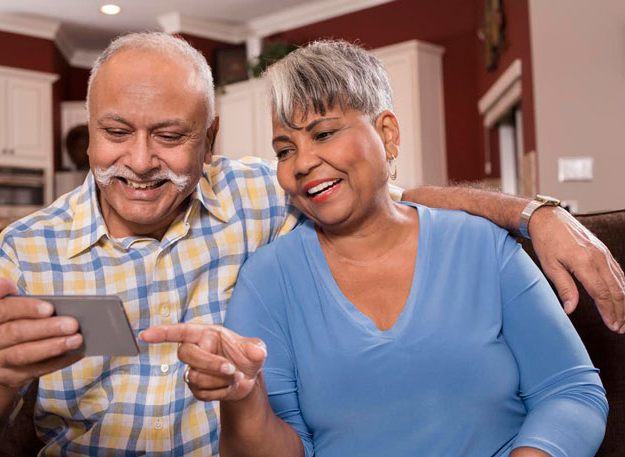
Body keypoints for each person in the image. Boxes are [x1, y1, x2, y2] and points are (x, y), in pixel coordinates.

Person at [0, 32, 620, 456]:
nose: (140, 161)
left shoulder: (263, 195)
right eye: (116, 132)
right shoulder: (23, 252)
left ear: (208, 144)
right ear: (90, 134)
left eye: (170, 137)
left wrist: (533, 213)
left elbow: (386, 195)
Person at [140, 40, 609, 456]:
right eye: (284, 149)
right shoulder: (267, 279)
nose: (302, 163)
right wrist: (243, 400)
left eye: (324, 134)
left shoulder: (483, 245)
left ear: (387, 134)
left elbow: (571, 391)